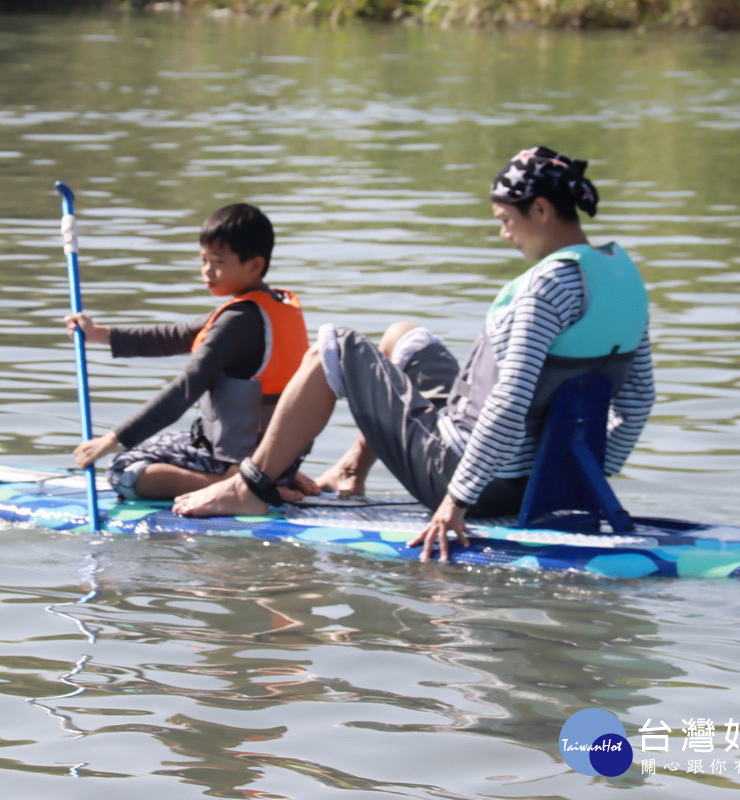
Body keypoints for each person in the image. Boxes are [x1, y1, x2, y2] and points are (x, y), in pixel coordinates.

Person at [172, 147, 656, 562]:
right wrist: (577, 479)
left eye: (506, 220)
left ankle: (250, 487)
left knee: (329, 349)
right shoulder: (621, 279)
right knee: (403, 335)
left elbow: (509, 402)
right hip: (534, 476)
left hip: (468, 475)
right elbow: (638, 400)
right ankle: (349, 472)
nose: (505, 234)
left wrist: (456, 501)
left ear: (543, 210)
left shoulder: (545, 288)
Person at [66, 202, 313, 500]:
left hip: (238, 458)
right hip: (278, 456)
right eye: (203, 260)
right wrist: (99, 334)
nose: (207, 271)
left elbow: (184, 390)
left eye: (218, 262)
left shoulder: (239, 321)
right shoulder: (273, 304)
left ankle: (247, 487)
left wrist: (112, 439)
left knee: (123, 469)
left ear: (255, 265)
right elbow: (176, 335)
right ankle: (269, 478)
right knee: (165, 446)